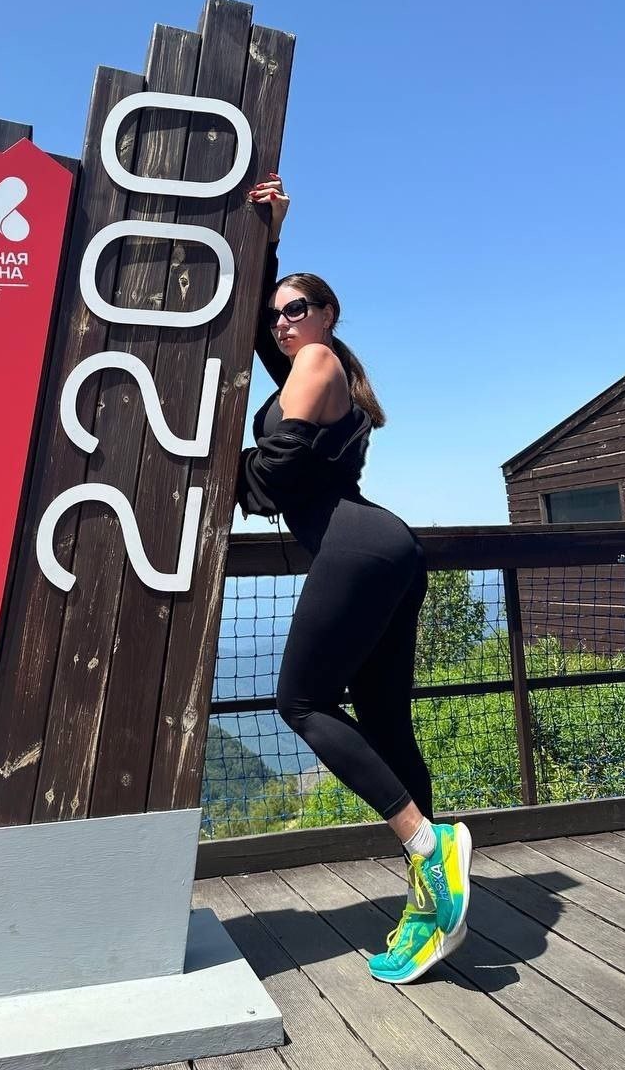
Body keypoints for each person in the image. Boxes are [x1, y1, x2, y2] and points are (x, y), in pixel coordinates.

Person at [235, 172, 472, 985]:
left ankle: (427, 845)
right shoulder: (308, 366)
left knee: (300, 703)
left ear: (328, 315)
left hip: (356, 548)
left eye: (297, 309)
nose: (283, 323)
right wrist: (270, 240)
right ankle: (430, 903)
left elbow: (277, 473)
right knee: (387, 726)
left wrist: (214, 470)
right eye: (279, 313)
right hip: (384, 550)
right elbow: (254, 333)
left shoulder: (318, 360)